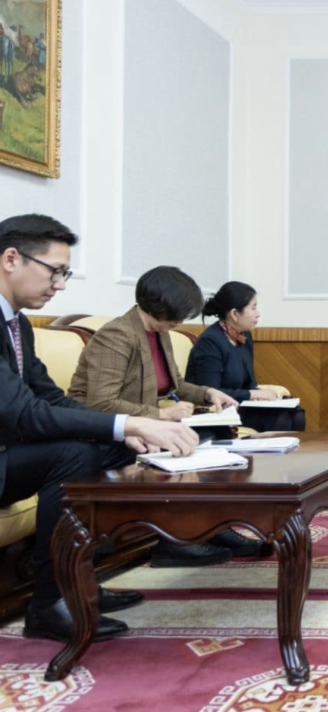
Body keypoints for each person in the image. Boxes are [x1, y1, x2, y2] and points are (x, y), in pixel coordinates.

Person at [0, 214, 201, 643]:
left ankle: (82, 577)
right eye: (56, 271)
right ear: (11, 259)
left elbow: (51, 400)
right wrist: (129, 420)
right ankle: (48, 603)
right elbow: (25, 414)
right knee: (75, 454)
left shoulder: (17, 325)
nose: (60, 285)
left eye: (66, 274)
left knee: (117, 447)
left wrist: (122, 431)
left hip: (12, 451)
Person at [68, 266, 251, 567]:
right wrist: (161, 415)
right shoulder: (117, 335)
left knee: (215, 435)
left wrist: (209, 393)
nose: (182, 320)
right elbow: (101, 402)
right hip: (102, 431)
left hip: (142, 425)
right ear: (160, 305)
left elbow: (175, 385)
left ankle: (212, 526)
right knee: (182, 441)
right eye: (180, 312)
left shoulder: (159, 332)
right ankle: (176, 540)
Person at [185, 281, 306, 433]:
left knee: (296, 413)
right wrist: (252, 394)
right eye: (253, 307)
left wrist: (259, 395)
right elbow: (211, 391)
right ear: (235, 314)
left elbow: (249, 382)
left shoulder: (244, 336)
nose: (258, 313)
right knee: (279, 419)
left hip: (241, 404)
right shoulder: (210, 341)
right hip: (219, 409)